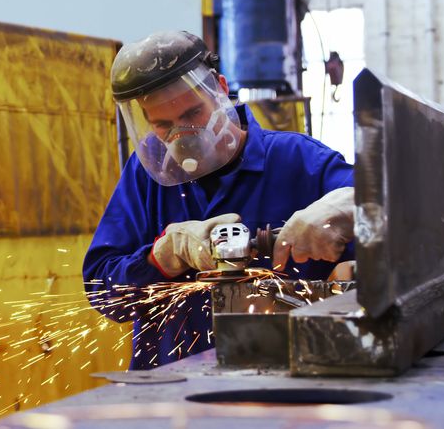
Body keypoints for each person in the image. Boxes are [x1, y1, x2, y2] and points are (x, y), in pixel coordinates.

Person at [83, 31, 355, 370]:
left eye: (193, 114)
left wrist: (347, 206)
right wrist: (161, 257)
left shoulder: (301, 162)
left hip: (285, 388)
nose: (182, 135)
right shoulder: (145, 173)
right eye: (163, 125)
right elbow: (102, 293)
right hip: (172, 393)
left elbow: (393, 213)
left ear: (221, 88)